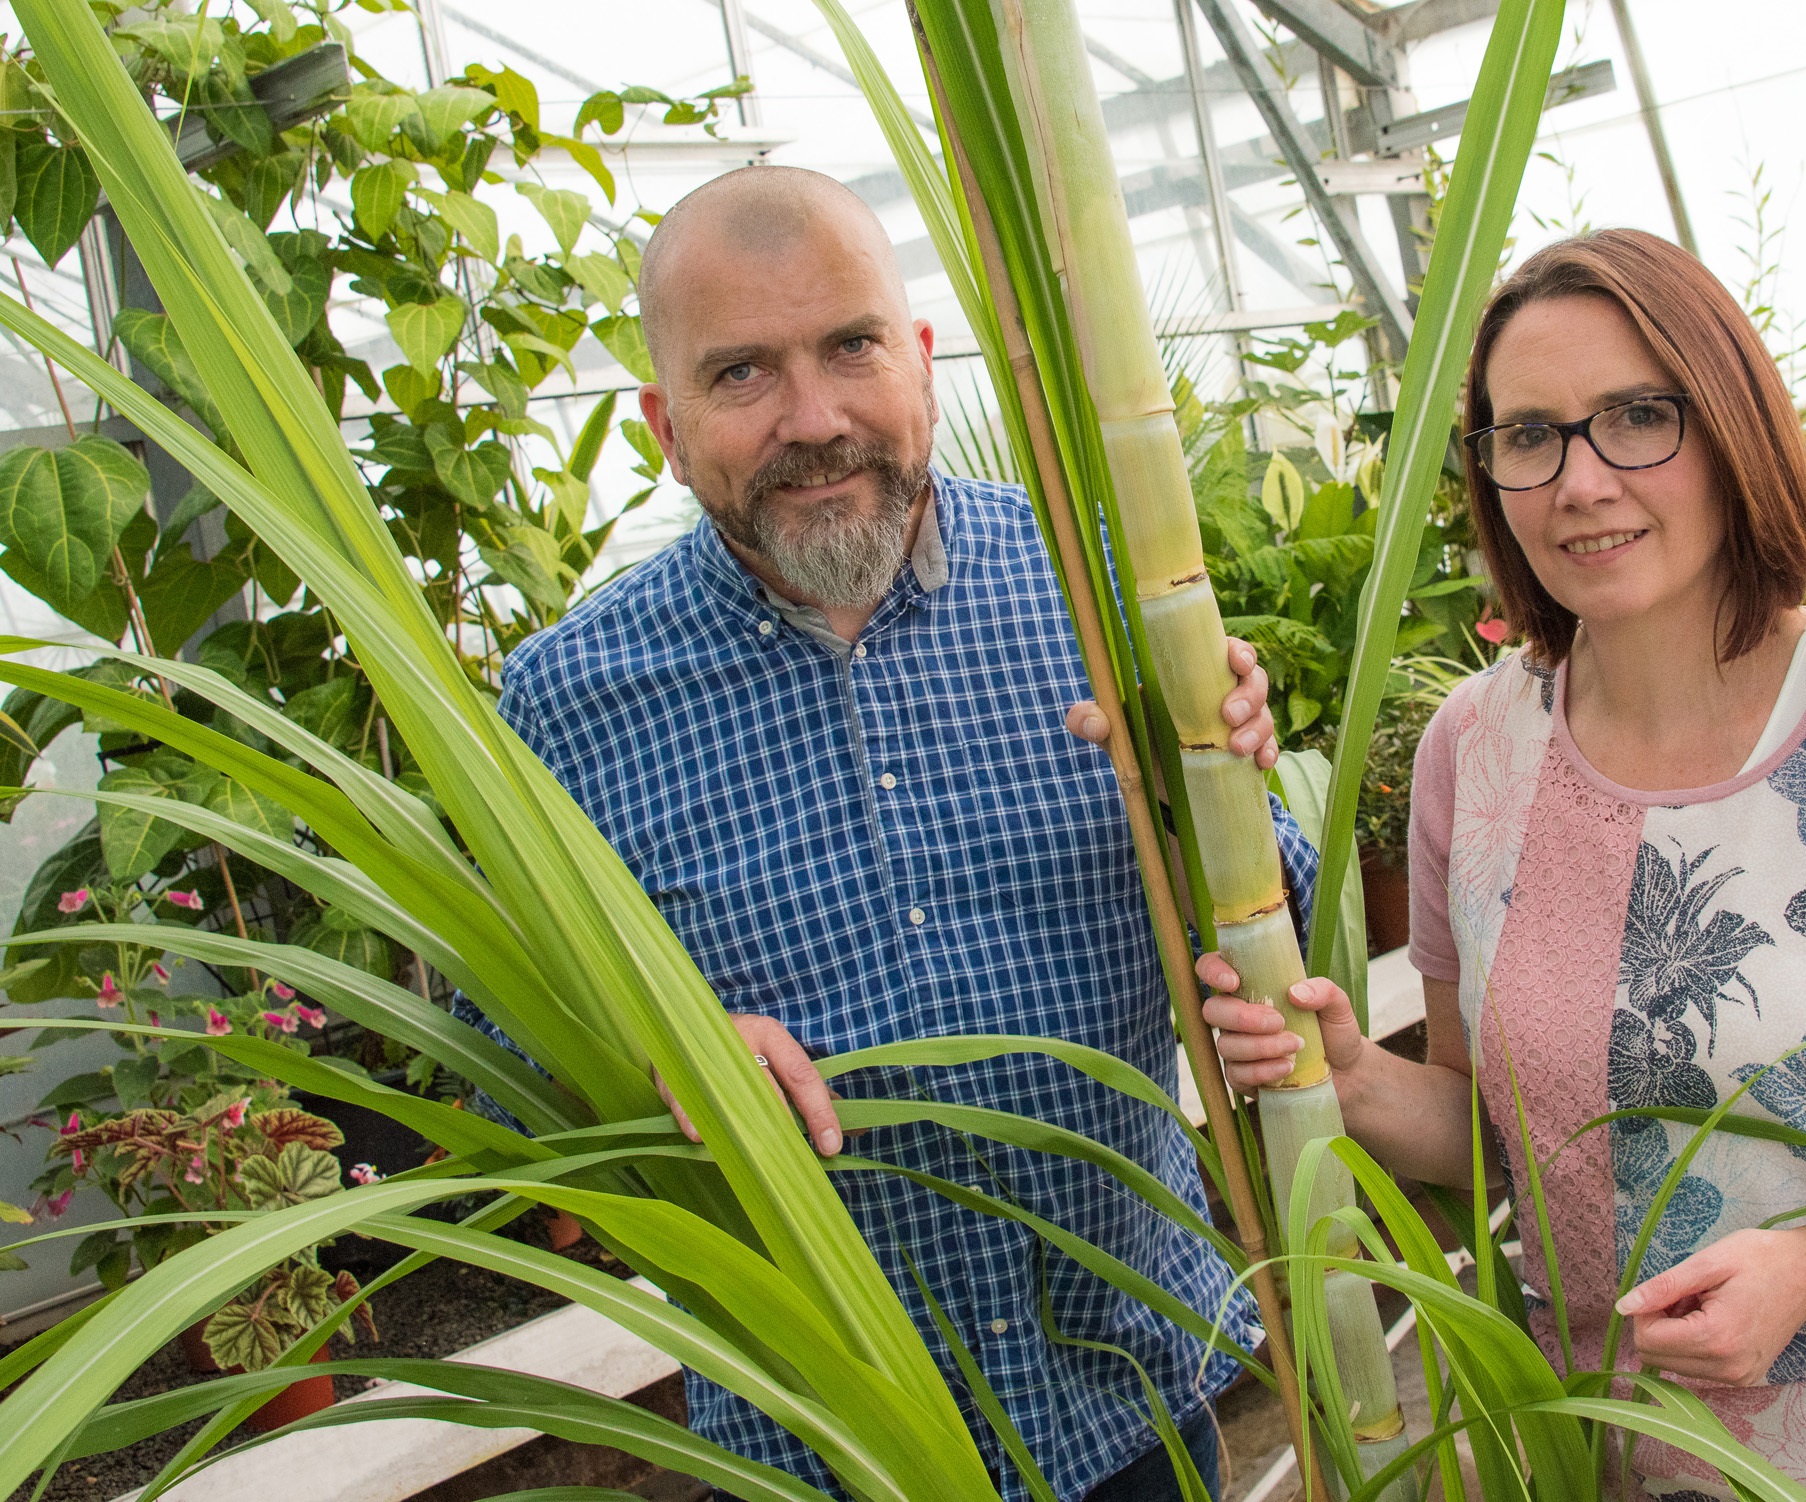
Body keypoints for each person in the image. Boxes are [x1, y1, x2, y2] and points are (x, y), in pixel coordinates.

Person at [1200, 229, 1806, 1502]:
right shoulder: (1473, 753)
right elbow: (1499, 1126)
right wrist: (1356, 1079)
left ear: (1732, 424)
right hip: (1624, 1457)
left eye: (1637, 416)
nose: (1580, 480)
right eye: (1529, 434)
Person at [464, 165, 1317, 1502]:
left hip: (1124, 1410)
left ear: (919, 361)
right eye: (740, 372)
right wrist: (652, 1055)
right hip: (819, 1446)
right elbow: (502, 1057)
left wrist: (1219, 788)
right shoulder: (572, 701)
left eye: (850, 346)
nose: (815, 419)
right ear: (663, 426)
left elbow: (1285, 918)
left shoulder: (1096, 590)